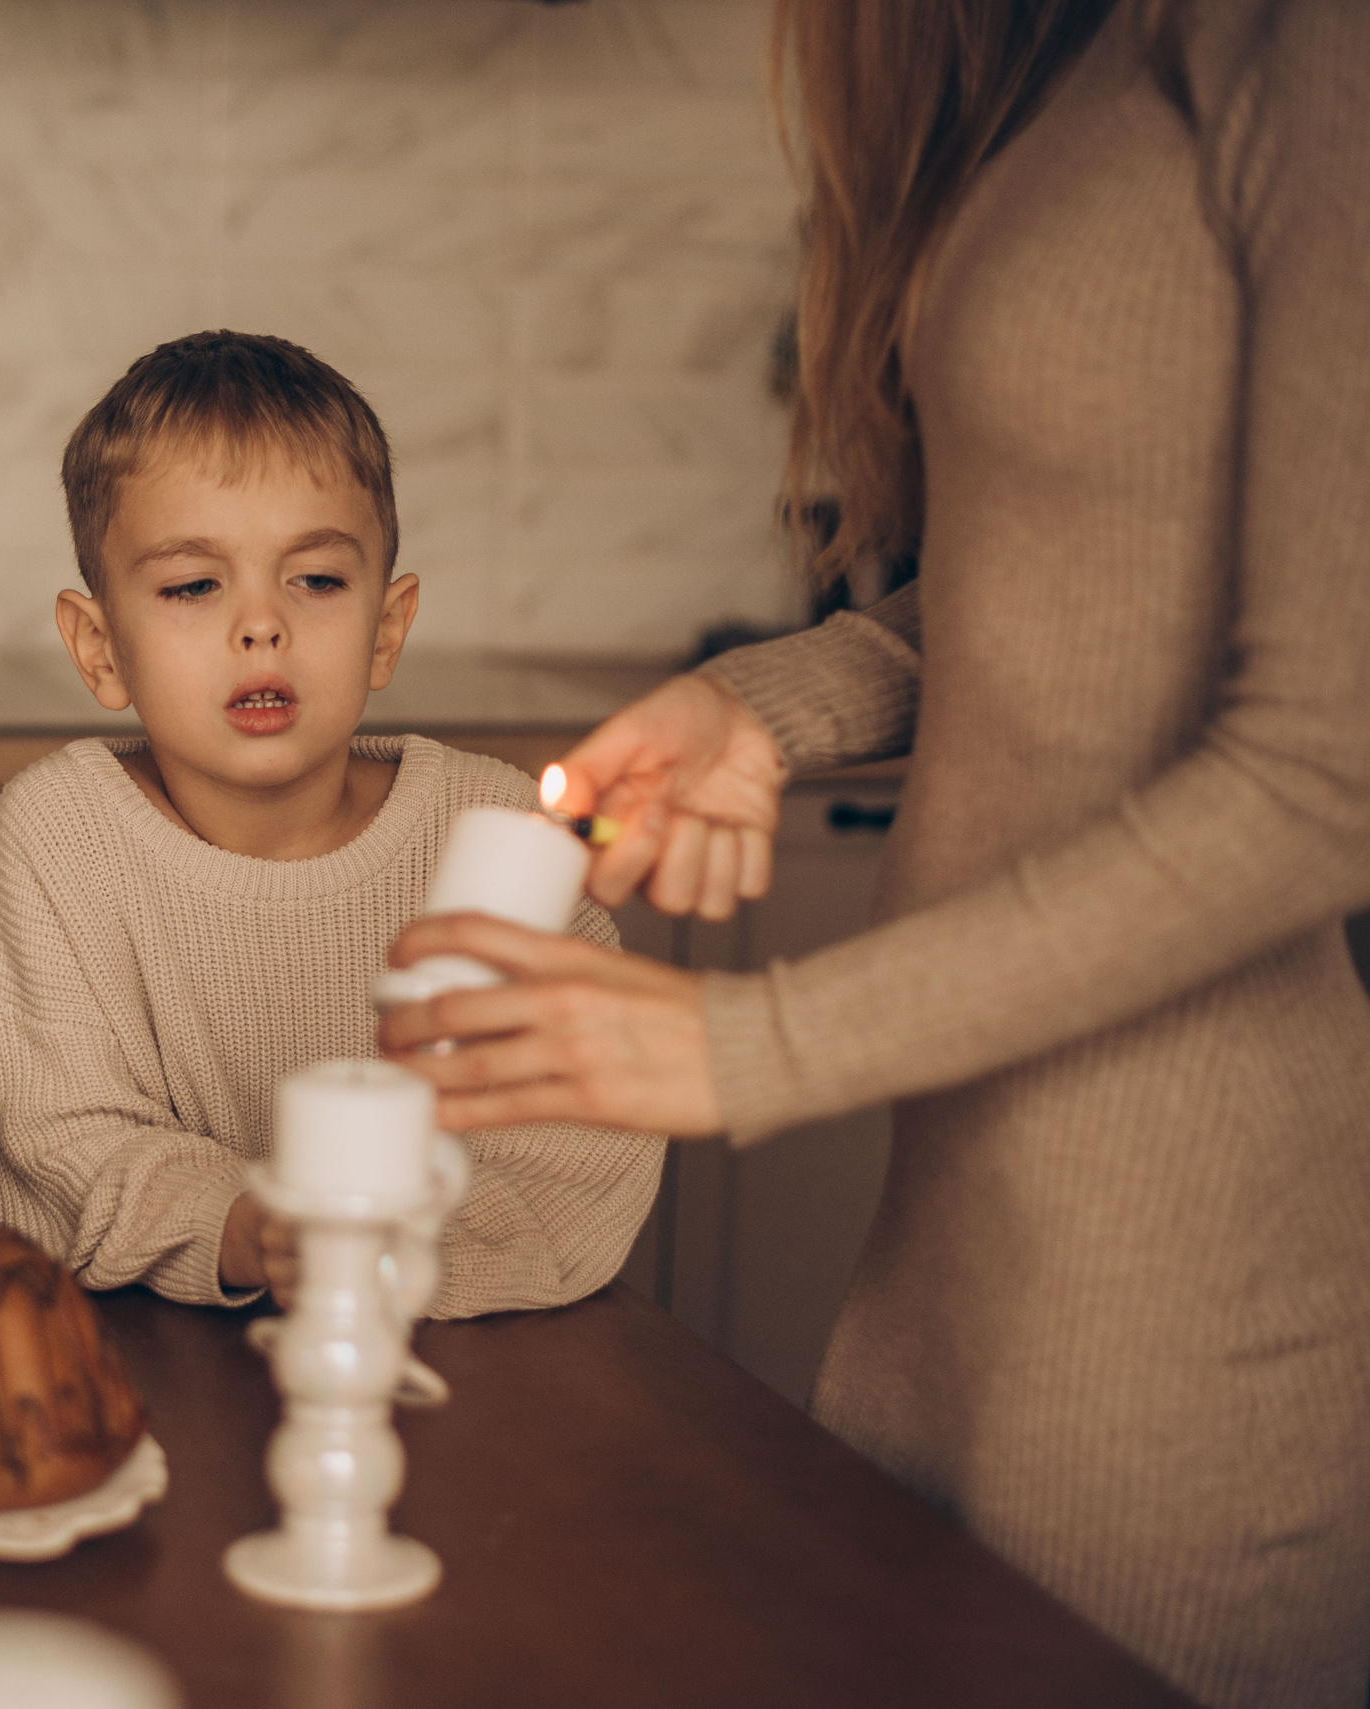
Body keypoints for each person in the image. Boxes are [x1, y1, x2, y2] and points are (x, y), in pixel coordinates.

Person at [378, 3, 1370, 1703]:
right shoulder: (1067, 64)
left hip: (1182, 1269)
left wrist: (741, 1043)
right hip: (957, 1231)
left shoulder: (1301, 45)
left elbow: (1322, 770)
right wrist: (766, 707)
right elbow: (1083, 568)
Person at [0, 330, 663, 1315]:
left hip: (460, 1366)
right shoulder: (62, 831)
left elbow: (581, 1143)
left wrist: (388, 1259)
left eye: (316, 579)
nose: (262, 624)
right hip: (146, 1368)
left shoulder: (497, 823)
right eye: (191, 585)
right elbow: (65, 1143)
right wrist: (247, 1224)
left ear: (386, 628)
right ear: (99, 649)